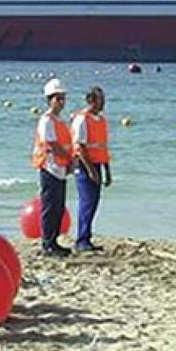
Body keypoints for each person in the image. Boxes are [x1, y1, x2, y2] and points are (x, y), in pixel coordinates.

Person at [31, 78, 73, 257]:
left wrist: (69, 161)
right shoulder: (47, 120)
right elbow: (53, 145)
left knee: (59, 207)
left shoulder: (60, 121)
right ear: (50, 99)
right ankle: (48, 243)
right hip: (49, 167)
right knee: (50, 207)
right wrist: (69, 159)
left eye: (63, 98)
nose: (61, 102)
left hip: (60, 168)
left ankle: (54, 241)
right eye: (58, 98)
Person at [70, 86, 111, 252]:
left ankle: (87, 237)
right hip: (84, 165)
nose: (103, 105)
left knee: (93, 202)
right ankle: (81, 240)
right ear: (91, 101)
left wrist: (107, 171)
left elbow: (103, 147)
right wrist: (91, 171)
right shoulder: (82, 119)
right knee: (86, 202)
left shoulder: (100, 120)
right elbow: (80, 147)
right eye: (100, 101)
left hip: (98, 163)